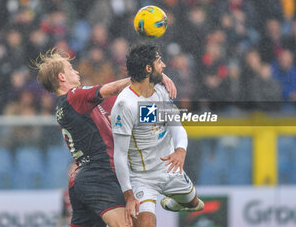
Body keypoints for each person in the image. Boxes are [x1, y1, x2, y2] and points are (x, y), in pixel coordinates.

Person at [32, 48, 176, 227]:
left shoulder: (70, 106)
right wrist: (150, 77)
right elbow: (113, 88)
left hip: (83, 178)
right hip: (99, 176)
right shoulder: (74, 96)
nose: (76, 71)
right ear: (62, 77)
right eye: (70, 69)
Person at [111, 42, 204, 227]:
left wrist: (180, 151)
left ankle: (174, 203)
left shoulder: (160, 91)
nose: (164, 66)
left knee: (196, 204)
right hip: (142, 177)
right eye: (159, 61)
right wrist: (129, 195)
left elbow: (176, 126)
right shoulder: (125, 105)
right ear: (148, 68)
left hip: (169, 168)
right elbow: (119, 155)